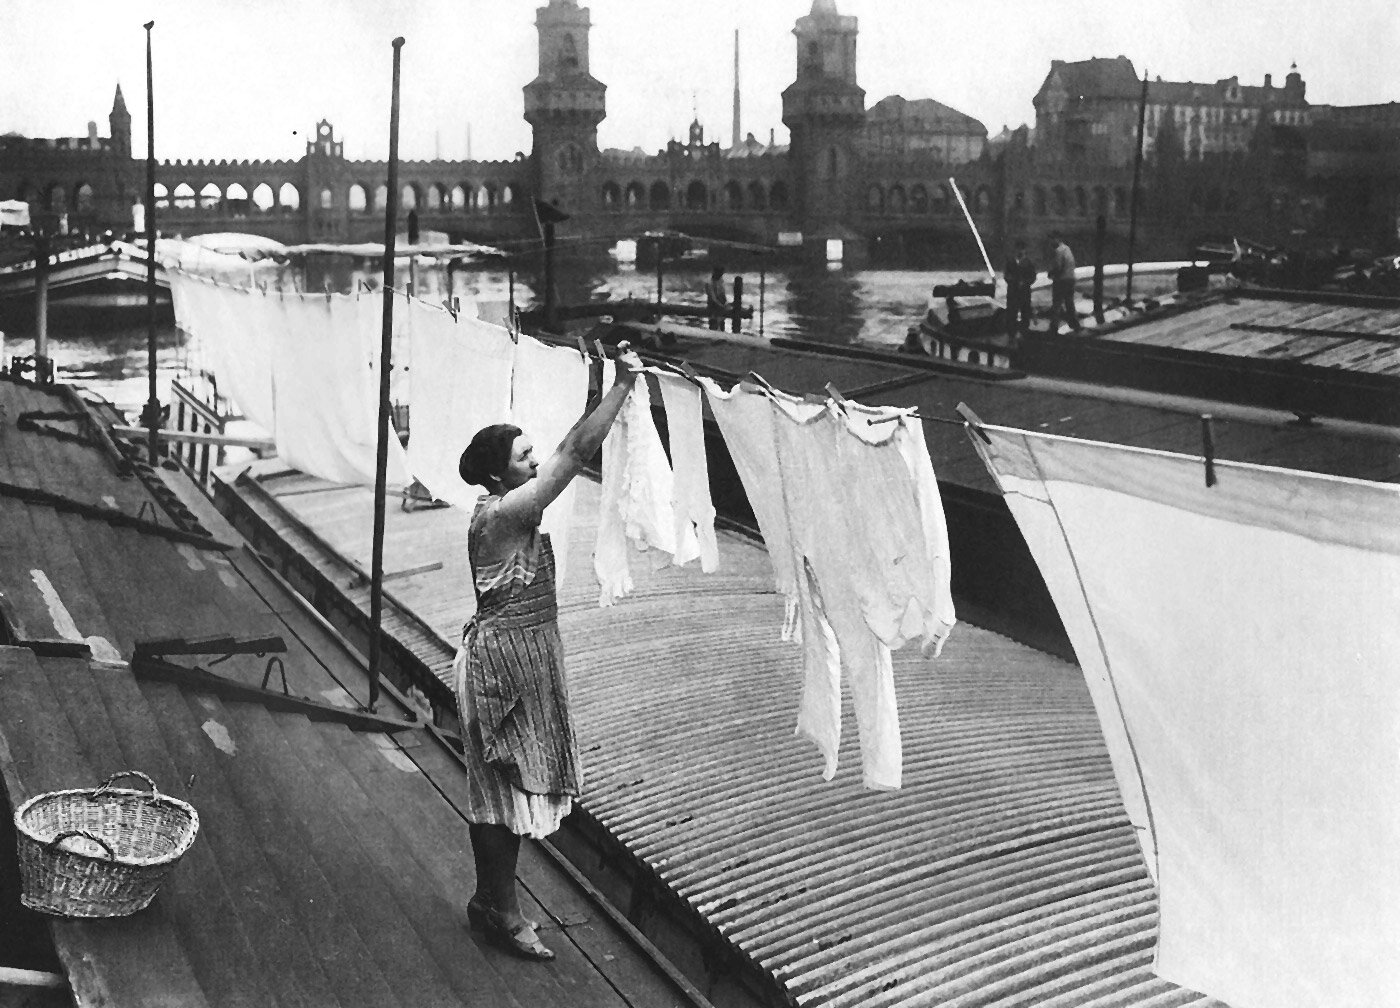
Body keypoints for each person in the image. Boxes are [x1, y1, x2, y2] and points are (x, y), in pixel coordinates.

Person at [454, 343, 643, 962]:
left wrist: (599, 385)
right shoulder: (504, 515)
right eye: (522, 457)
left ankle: (489, 902)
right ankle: (502, 914)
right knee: (501, 795)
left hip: (520, 661)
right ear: (496, 476)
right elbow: (576, 454)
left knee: (502, 792)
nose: (534, 461)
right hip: (499, 671)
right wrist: (623, 385)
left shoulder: (510, 505)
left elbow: (564, 443)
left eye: (531, 451)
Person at [1047, 233, 1081, 332]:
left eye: (1051, 240)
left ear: (1057, 239)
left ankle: (1054, 326)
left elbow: (1058, 267)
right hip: (1070, 279)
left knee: (1057, 303)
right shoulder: (1067, 249)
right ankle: (1075, 324)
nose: (1050, 243)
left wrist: (1051, 274)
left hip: (1061, 280)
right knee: (1069, 302)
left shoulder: (1058, 251)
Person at [1003, 239, 1037, 337]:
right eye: (1018, 249)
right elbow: (1006, 276)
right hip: (1013, 292)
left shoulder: (1029, 263)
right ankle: (1011, 335)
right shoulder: (1010, 262)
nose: (1020, 251)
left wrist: (1025, 282)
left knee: (1025, 314)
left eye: (1022, 249)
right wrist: (1014, 281)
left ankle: (1024, 334)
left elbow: (1033, 277)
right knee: (1011, 314)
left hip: (1024, 292)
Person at [704, 265, 727, 330]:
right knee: (713, 323)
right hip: (713, 305)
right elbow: (712, 297)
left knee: (722, 323)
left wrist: (724, 303)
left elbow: (723, 293)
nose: (721, 276)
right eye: (720, 274)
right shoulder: (709, 283)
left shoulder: (720, 280)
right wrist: (721, 305)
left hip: (720, 304)